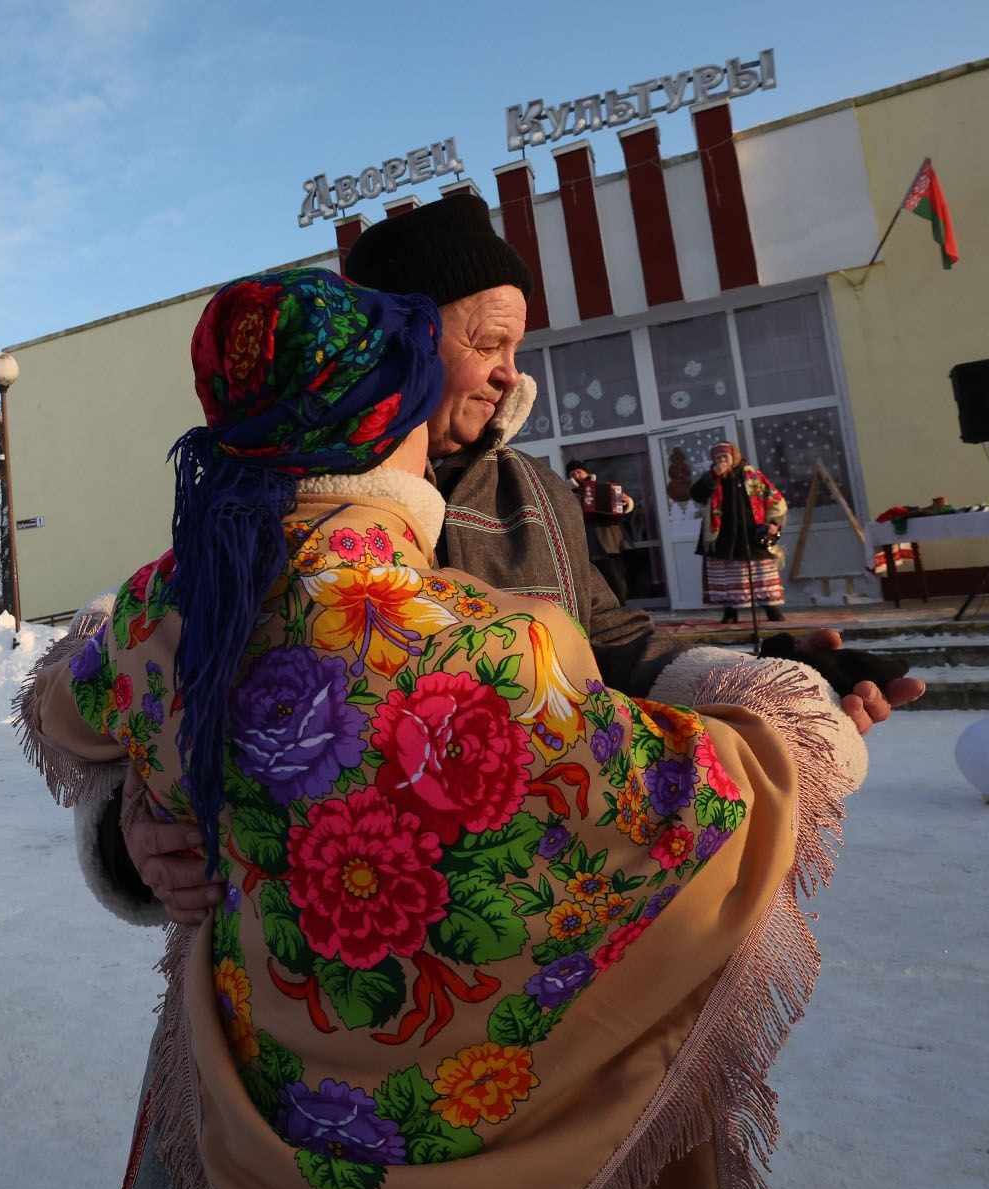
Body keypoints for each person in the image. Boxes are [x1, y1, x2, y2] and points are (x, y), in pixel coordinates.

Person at [19, 269, 870, 1189]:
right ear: (391, 421)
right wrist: (791, 701)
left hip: (237, 1123)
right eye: (480, 351)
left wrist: (151, 773)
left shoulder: (160, 606)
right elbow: (733, 796)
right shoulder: (496, 647)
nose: (504, 377)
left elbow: (65, 704)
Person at [112, 194, 924, 929]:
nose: (511, 373)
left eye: (516, 346)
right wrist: (133, 821)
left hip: (519, 922)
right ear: (406, 347)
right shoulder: (280, 514)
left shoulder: (534, 489)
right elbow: (158, 686)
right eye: (489, 343)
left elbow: (611, 639)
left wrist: (764, 678)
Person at [691, 441, 788, 624]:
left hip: (752, 533)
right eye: (717, 457)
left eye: (725, 456)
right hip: (722, 536)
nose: (721, 460)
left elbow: (774, 498)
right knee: (726, 573)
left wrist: (774, 522)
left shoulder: (752, 475)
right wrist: (713, 476)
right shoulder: (711, 477)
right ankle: (729, 611)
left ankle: (770, 607)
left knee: (760, 571)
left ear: (734, 456)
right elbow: (696, 494)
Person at [566, 460, 636, 604]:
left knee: (617, 582)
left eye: (579, 471)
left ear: (587, 472)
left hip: (611, 544)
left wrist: (626, 502)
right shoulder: (568, 493)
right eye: (572, 473)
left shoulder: (605, 487)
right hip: (587, 546)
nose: (577, 475)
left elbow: (624, 514)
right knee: (594, 586)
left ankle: (621, 608)